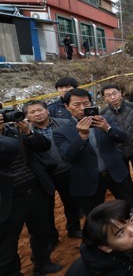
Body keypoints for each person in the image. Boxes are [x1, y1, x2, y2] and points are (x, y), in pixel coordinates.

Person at [53, 88, 133, 216]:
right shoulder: (61, 132)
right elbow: (67, 157)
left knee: (130, 207)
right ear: (67, 106)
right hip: (88, 180)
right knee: (96, 216)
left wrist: (107, 128)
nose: (82, 108)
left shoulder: (104, 120)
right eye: (76, 104)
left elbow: (123, 138)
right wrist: (81, 136)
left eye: (86, 103)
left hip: (115, 173)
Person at [0, 112, 63, 276]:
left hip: (35, 191)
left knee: (41, 231)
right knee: (7, 243)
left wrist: (28, 132)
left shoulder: (14, 131)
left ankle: (42, 263)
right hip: (8, 201)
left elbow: (44, 146)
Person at [23, 100, 82, 251]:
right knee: (46, 209)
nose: (37, 114)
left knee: (71, 202)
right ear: (27, 117)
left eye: (40, 110)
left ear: (47, 111)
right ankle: (52, 237)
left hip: (65, 170)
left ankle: (74, 228)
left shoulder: (64, 123)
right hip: (42, 177)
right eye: (32, 112)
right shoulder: (23, 132)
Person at [101, 84, 133, 212]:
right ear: (104, 98)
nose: (113, 97)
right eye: (108, 95)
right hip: (118, 151)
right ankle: (132, 195)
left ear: (121, 93)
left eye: (115, 93)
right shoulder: (103, 114)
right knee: (125, 176)